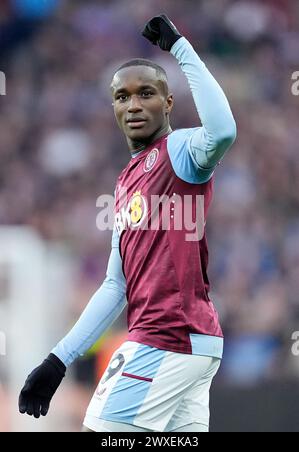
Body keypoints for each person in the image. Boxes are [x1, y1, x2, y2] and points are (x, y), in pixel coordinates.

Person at [19, 14, 237, 432]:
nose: (133, 105)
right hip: (190, 344)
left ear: (168, 103)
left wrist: (180, 47)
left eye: (146, 93)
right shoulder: (125, 183)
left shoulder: (180, 151)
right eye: (122, 97)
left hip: (167, 337)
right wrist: (58, 360)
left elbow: (223, 131)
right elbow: (116, 285)